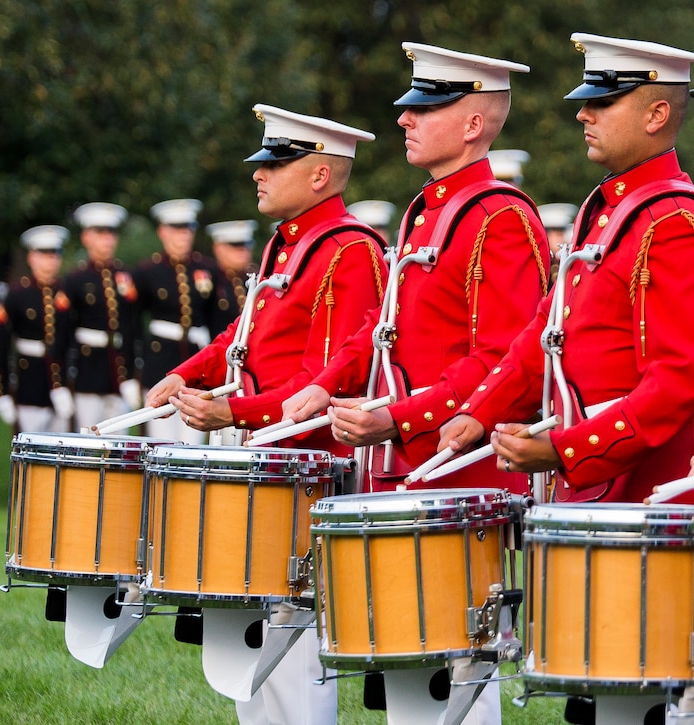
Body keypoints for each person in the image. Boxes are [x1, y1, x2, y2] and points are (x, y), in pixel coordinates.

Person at [280, 43, 551, 725]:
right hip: (410, 464)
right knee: (412, 666)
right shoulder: (426, 210)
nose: (405, 120)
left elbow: (499, 358)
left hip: (459, 466)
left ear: (471, 124)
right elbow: (387, 324)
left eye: (425, 108)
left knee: (454, 669)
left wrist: (397, 417)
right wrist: (329, 385)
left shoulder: (498, 215)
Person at [153, 103, 388, 725]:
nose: (258, 174)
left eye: (275, 163)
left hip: (307, 465)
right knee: (251, 648)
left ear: (318, 176)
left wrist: (234, 408)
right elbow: (246, 330)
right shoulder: (292, 244)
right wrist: (189, 372)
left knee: (291, 642)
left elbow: (328, 377)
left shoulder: (348, 249)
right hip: (268, 458)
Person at [439, 33, 694, 506]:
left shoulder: (673, 220)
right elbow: (548, 331)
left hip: (644, 501)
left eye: (603, 101)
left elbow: (678, 378)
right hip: (597, 493)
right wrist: (479, 411)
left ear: (656, 115)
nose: (582, 114)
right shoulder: (611, 210)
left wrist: (565, 449)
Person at [134, 198, 217, 443]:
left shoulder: (206, 269)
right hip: (159, 363)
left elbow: (216, 320)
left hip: (196, 362)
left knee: (192, 443)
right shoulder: (148, 271)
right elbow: (132, 323)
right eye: (176, 229)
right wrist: (132, 370)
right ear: (163, 232)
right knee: (161, 441)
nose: (183, 235)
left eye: (187, 228)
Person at [59, 202, 140, 432]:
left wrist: (132, 372)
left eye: (111, 233)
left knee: (119, 439)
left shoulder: (124, 276)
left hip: (118, 368)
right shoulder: (76, 279)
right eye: (100, 233)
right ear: (86, 237)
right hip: (88, 368)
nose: (107, 239)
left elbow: (131, 327)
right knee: (88, 436)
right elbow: (64, 332)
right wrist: (63, 380)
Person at [0, 224, 73, 433]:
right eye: (44, 254)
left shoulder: (67, 291)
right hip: (29, 382)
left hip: (64, 385)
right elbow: (0, 345)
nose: (50, 261)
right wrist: (0, 390)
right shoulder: (17, 294)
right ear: (31, 257)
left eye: (55, 254)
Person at [205, 219, 257, 338]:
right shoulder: (212, 279)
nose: (243, 251)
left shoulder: (256, 279)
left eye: (246, 245)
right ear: (218, 249)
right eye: (235, 246)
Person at [537, 201, 578, 284]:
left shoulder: (567, 259)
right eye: (557, 235)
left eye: (562, 234)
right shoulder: (539, 262)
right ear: (546, 235)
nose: (561, 239)